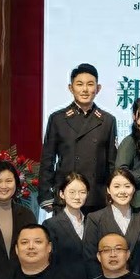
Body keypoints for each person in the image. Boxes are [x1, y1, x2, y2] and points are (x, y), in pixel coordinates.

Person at [40, 63, 118, 214]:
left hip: (96, 197)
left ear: (98, 88)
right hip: (65, 194)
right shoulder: (58, 119)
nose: (85, 89)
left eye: (90, 84)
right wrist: (46, 195)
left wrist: (112, 194)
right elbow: (47, 160)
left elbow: (112, 164)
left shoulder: (108, 120)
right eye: (80, 84)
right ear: (71, 88)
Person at [86, 168, 140, 277]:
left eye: (127, 186)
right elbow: (90, 258)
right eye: (116, 186)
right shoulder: (95, 219)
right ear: (108, 190)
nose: (122, 191)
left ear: (134, 189)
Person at [43, 172, 97, 279]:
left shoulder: (93, 222)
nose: (77, 197)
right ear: (62, 194)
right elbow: (49, 261)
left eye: (82, 192)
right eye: (72, 192)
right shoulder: (51, 225)